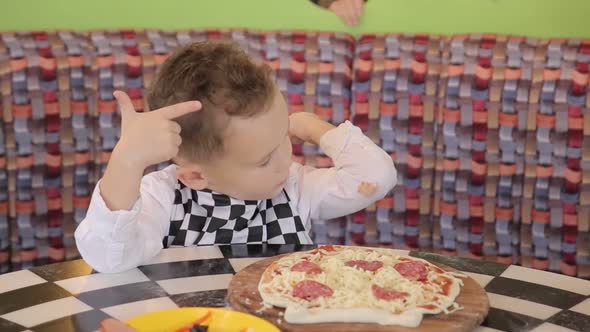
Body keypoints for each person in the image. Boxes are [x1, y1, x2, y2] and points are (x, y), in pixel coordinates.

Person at [75, 41, 396, 273]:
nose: (287, 159)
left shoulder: (296, 188)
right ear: (196, 176)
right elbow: (109, 258)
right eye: (264, 159)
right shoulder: (162, 197)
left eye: (284, 137)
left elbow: (375, 177)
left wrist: (316, 129)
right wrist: (126, 161)